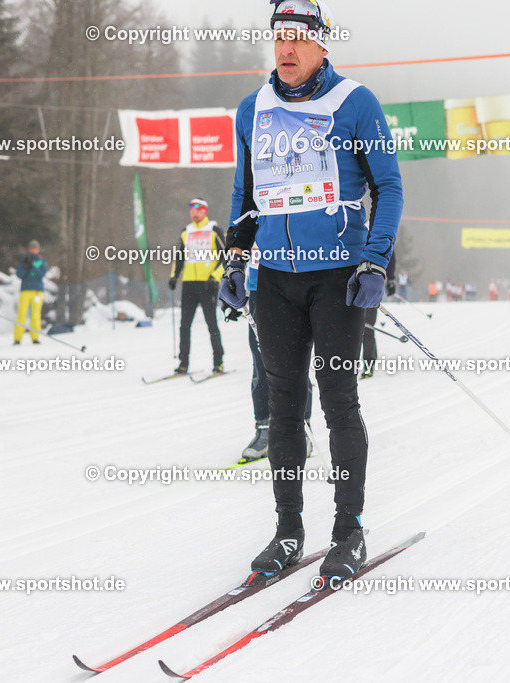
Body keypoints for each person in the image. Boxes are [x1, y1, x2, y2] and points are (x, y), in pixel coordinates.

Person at [219, 0, 403, 581]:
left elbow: (389, 186)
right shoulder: (253, 109)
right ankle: (288, 530)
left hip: (337, 276)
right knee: (283, 407)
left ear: (323, 44)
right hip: (275, 278)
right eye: (280, 37)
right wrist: (234, 258)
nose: (287, 48)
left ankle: (349, 530)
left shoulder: (355, 102)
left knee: (338, 401)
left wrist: (375, 260)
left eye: (299, 37)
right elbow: (245, 194)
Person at [233, 245, 314, 463]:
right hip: (258, 288)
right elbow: (238, 244)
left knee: (296, 361)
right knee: (261, 363)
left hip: (293, 283)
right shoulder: (248, 220)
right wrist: (231, 283)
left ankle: (302, 429)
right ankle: (264, 430)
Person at [169, 198, 225, 374]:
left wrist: (215, 277)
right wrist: (174, 277)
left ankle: (218, 362)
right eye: (192, 210)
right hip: (189, 284)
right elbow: (179, 257)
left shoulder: (214, 229)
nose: (194, 213)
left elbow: (226, 256)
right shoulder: (186, 231)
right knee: (184, 325)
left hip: (208, 284)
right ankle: (183, 363)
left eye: (198, 210)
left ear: (204, 211)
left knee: (211, 324)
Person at [360, 253, 397, 380]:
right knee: (351, 328)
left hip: (370, 284)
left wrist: (391, 279)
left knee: (367, 328)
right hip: (350, 284)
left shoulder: (378, 239)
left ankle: (368, 364)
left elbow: (389, 254)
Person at [14, 240, 48, 344]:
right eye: (32, 248)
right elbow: (19, 274)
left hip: (37, 291)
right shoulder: (24, 260)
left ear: (38, 250)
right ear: (29, 249)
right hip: (25, 290)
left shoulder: (42, 261)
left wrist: (32, 267)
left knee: (35, 315)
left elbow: (42, 274)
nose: (33, 250)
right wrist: (25, 267)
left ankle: (35, 337)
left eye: (35, 249)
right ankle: (17, 338)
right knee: (21, 314)